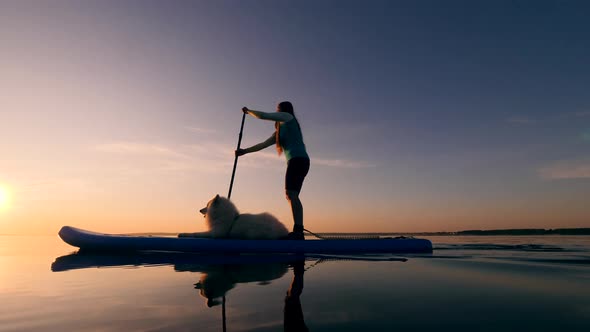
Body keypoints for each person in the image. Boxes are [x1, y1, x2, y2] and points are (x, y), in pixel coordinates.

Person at [236, 101, 310, 240]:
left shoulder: (288, 117)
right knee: (291, 195)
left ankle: (298, 232)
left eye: (277, 110)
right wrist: (244, 151)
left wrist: (249, 111)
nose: (277, 113)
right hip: (298, 161)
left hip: (298, 160)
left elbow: (263, 115)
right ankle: (298, 231)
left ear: (283, 110)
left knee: (291, 194)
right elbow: (263, 145)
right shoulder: (279, 133)